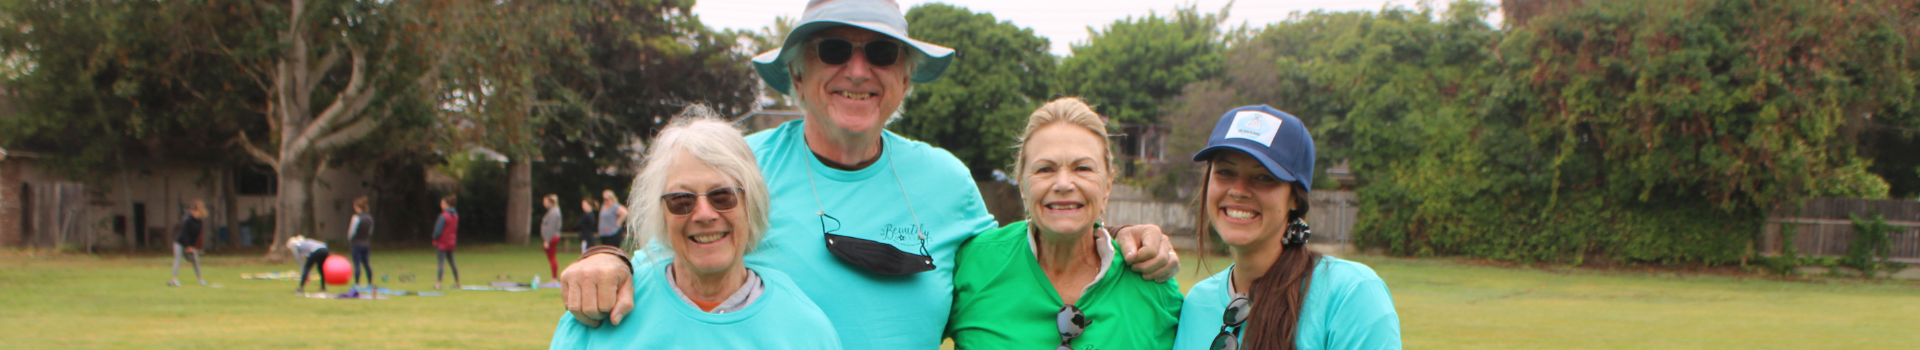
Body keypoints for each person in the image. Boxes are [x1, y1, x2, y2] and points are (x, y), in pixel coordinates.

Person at [557, 1, 1180, 349]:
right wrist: (608, 256)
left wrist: (1125, 238)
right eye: (833, 50)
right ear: (796, 75)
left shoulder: (946, 179)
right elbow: (671, 246)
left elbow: (1024, 256)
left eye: (881, 53)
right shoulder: (737, 169)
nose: (858, 69)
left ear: (905, 79)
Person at [550, 109, 841, 349]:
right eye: (681, 200)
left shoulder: (804, 329)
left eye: (723, 195)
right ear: (660, 212)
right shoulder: (600, 311)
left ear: (751, 205)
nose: (704, 214)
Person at [947, 99, 1182, 349]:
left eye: (1082, 168)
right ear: (1022, 184)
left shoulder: (1154, 283)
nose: (1063, 184)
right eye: (1045, 169)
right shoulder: (971, 265)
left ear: (1108, 185)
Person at [1171, 106, 1401, 350]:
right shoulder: (1197, 303)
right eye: (1225, 172)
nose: (1238, 190)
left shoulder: (1350, 295)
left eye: (1263, 177)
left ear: (1295, 198)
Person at [169, 200, 209, 287]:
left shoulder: (200, 222)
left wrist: (192, 247)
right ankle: (174, 280)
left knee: (195, 261)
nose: (193, 212)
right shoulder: (187, 220)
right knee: (177, 260)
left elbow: (196, 235)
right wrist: (187, 246)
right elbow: (184, 234)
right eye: (192, 211)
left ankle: (200, 280)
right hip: (179, 243)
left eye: (195, 211)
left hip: (190, 244)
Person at [432, 195, 461, 289]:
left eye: (442, 203)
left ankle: (438, 284)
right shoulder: (455, 216)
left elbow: (437, 231)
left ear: (446, 204)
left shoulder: (443, 216)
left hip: (442, 243)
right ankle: (457, 282)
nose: (441, 205)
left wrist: (434, 238)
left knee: (441, 263)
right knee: (453, 263)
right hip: (451, 243)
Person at [347, 196, 375, 289]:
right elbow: (370, 232)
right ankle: (370, 283)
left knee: (357, 264)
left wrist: (350, 239)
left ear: (357, 207)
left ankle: (357, 284)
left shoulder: (356, 217)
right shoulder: (370, 218)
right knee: (367, 263)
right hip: (366, 243)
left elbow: (352, 231)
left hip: (357, 243)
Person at [542, 194, 565, 278]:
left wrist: (547, 240)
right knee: (551, 257)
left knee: (552, 257)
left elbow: (551, 227)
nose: (544, 203)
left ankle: (554, 278)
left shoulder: (553, 213)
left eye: (545, 201)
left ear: (550, 202)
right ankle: (554, 277)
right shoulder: (554, 211)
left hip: (552, 237)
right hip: (552, 236)